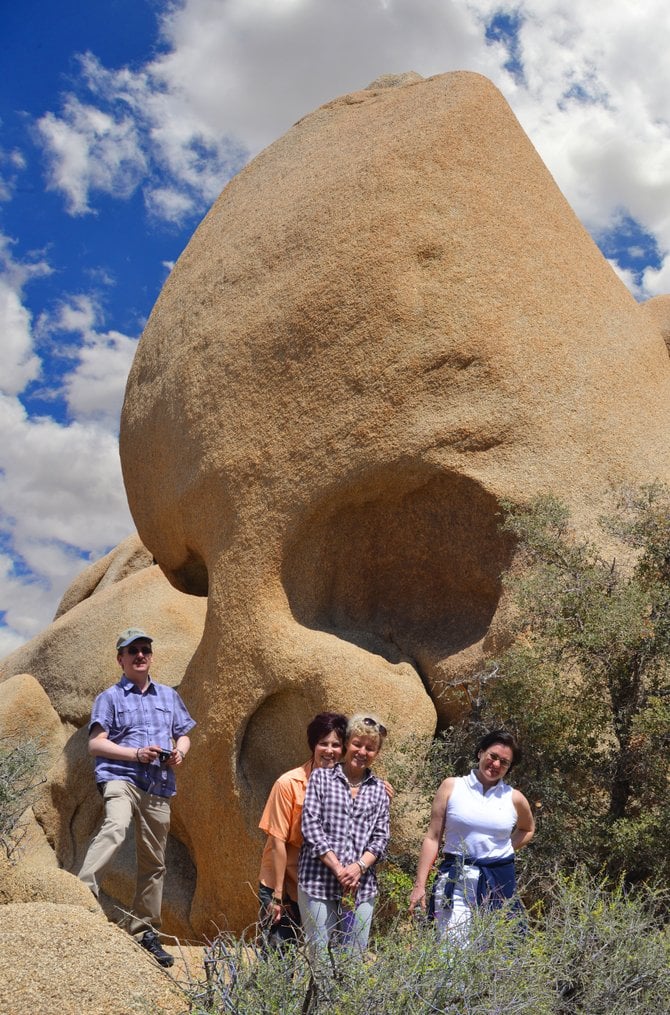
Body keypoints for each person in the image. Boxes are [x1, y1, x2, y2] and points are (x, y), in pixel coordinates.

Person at [78, 627, 196, 968]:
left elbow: (184, 734)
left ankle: (146, 931)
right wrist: (137, 753)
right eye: (133, 651)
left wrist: (179, 753)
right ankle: (81, 895)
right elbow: (96, 744)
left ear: (151, 656)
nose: (140, 655)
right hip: (120, 778)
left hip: (158, 784)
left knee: (154, 861)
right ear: (121, 660)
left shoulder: (168, 697)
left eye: (145, 649)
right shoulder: (110, 697)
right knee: (115, 825)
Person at [409, 730, 535, 941]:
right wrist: (420, 885)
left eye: (503, 762)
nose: (495, 764)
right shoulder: (452, 786)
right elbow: (433, 837)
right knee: (452, 951)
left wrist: (502, 849)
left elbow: (528, 829)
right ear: (480, 753)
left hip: (498, 881)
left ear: (508, 768)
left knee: (495, 951)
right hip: (457, 878)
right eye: (493, 756)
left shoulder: (514, 798)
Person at [298, 714, 391, 958]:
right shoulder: (321, 778)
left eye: (370, 748)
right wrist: (339, 869)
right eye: (357, 744)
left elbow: (381, 837)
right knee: (320, 957)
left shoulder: (379, 790)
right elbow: (310, 827)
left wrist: (359, 867)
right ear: (347, 744)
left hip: (359, 890)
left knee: (352, 960)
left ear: (376, 753)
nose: (362, 751)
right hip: (318, 883)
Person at [257, 711, 348, 948]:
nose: (329, 750)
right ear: (313, 745)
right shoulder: (289, 784)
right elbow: (277, 842)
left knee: (325, 955)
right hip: (284, 882)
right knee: (279, 953)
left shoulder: (348, 786)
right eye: (323, 743)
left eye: (336, 745)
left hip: (321, 884)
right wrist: (278, 895)